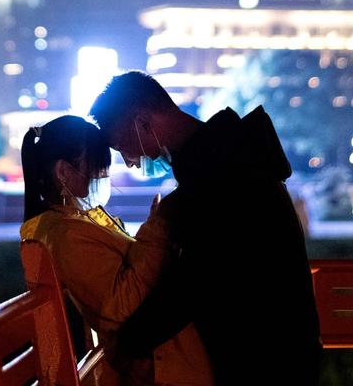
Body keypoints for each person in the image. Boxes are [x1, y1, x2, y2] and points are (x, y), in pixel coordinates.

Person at [90, 71, 321, 385]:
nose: (130, 161)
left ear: (143, 123)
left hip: (265, 359)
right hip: (279, 349)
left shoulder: (220, 175)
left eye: (123, 146)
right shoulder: (228, 157)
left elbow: (197, 279)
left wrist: (130, 341)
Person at [20, 115, 212, 386]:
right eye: (97, 168)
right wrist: (158, 227)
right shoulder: (67, 234)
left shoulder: (76, 222)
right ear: (63, 172)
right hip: (161, 369)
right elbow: (120, 307)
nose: (103, 176)